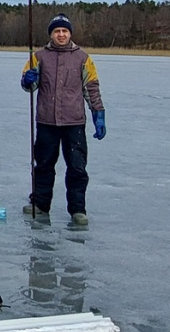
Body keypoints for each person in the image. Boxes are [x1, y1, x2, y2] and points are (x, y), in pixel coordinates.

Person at [20, 14, 106, 227]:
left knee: (77, 167)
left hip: (74, 122)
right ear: (51, 34)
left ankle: (78, 209)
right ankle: (40, 203)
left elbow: (91, 88)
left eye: (64, 31)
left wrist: (98, 114)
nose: (61, 35)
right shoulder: (38, 57)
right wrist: (27, 80)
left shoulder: (83, 58)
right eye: (57, 31)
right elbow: (29, 86)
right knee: (43, 165)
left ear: (70, 34)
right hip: (46, 121)